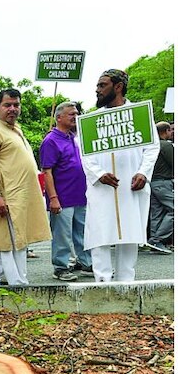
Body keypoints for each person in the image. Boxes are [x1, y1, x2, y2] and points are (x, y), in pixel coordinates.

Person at [81, 69, 160, 282]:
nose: (97, 90)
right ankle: (102, 284)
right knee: (100, 233)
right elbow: (85, 154)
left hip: (131, 184)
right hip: (102, 187)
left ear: (118, 87)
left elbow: (152, 148)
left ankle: (127, 283)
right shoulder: (91, 121)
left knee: (129, 233)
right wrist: (98, 174)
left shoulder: (139, 114)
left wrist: (143, 173)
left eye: (102, 85)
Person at [0, 88, 52, 286]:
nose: (12, 109)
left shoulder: (16, 130)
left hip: (21, 198)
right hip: (6, 198)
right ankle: (18, 285)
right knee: (10, 244)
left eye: (16, 105)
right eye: (7, 105)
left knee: (8, 244)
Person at [39, 102, 93, 280]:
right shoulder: (51, 140)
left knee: (82, 232)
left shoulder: (73, 137)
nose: (75, 117)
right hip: (62, 197)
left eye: (76, 113)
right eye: (72, 114)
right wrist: (53, 198)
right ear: (59, 117)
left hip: (79, 195)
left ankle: (86, 263)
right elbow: (47, 171)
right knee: (62, 235)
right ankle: (61, 267)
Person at [146, 120, 174, 253]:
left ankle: (154, 241)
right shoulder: (166, 145)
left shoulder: (151, 145)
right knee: (174, 209)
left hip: (152, 182)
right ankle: (157, 239)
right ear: (166, 131)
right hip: (164, 182)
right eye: (170, 130)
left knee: (156, 212)